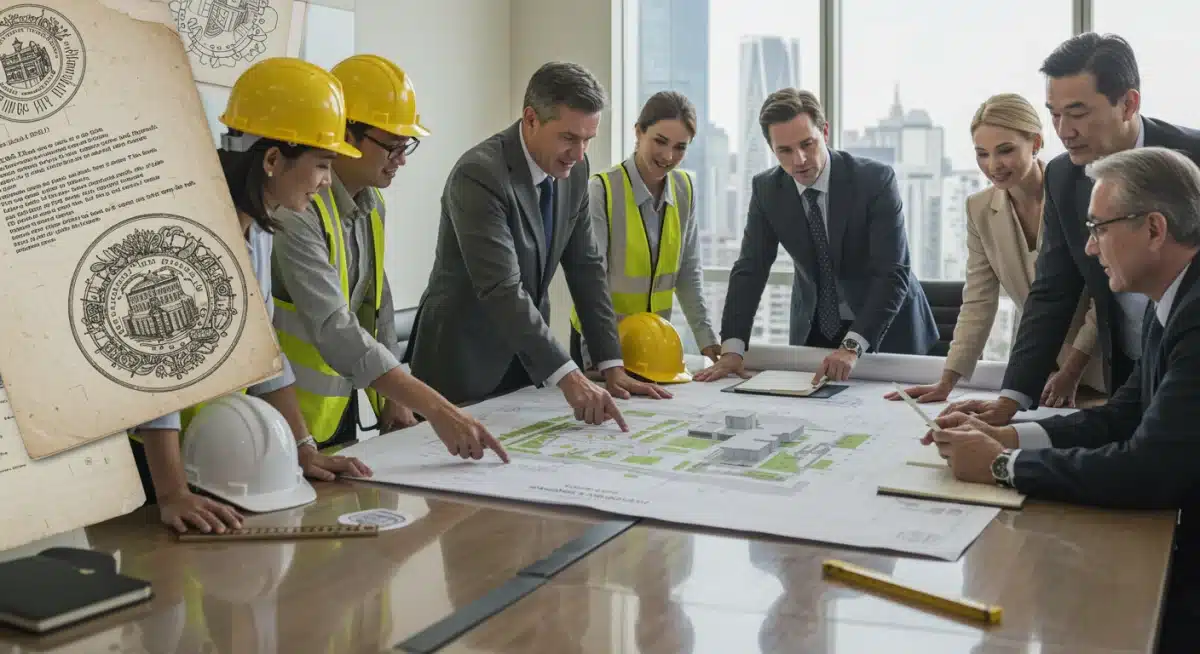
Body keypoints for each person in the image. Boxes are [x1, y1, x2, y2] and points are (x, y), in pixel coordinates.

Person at [925, 146, 1200, 653]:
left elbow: (1150, 469)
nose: (1090, 248)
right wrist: (1008, 436)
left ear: (1154, 229)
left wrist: (1002, 466)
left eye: (1098, 228)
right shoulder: (1172, 301)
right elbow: (1122, 416)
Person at [130, 57, 373, 534]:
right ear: (272, 160)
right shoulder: (187, 228)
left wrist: (302, 448)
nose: (327, 181)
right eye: (322, 165)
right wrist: (172, 491)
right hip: (155, 464)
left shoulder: (258, 228)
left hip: (210, 453)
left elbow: (263, 350)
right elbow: (157, 367)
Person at [940, 32, 1200, 425]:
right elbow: (1052, 291)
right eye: (1055, 114)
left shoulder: (1192, 158)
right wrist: (1010, 399)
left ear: (1128, 104)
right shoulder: (1063, 176)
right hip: (1129, 372)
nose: (1064, 131)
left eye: (1077, 113)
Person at [270, 55, 507, 464]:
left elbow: (376, 304)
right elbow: (335, 327)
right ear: (345, 134)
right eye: (392, 145)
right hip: (281, 424)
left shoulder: (372, 205)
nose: (401, 158)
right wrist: (437, 408)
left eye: (406, 145)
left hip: (335, 415)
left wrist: (393, 400)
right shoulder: (297, 213)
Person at [406, 61, 671, 427]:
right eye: (569, 137)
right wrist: (569, 375)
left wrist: (611, 364)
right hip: (460, 368)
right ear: (531, 119)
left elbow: (586, 267)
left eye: (588, 139)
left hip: (524, 368)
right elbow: (502, 289)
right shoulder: (479, 174)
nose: (579, 153)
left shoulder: (575, 171)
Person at [695, 88, 938, 385]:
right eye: (784, 151)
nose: (799, 160)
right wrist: (732, 349)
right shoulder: (767, 190)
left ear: (824, 132)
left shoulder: (874, 180)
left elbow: (892, 273)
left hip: (886, 329)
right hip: (817, 330)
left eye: (807, 144)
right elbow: (750, 269)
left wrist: (852, 346)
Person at [886, 93, 1105, 407]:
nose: (993, 165)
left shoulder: (1083, 195)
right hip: (1045, 370)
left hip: (1104, 362)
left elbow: (1104, 296)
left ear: (1036, 143)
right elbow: (978, 301)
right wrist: (947, 382)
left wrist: (1072, 371)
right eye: (982, 154)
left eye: (1005, 150)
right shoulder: (979, 209)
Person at [568, 91, 720, 371]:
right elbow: (592, 284)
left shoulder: (684, 189)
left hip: (652, 346)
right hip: (600, 343)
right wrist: (600, 359)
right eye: (660, 141)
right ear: (638, 132)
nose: (668, 156)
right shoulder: (602, 190)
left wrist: (709, 344)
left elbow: (688, 272)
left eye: (680, 147)